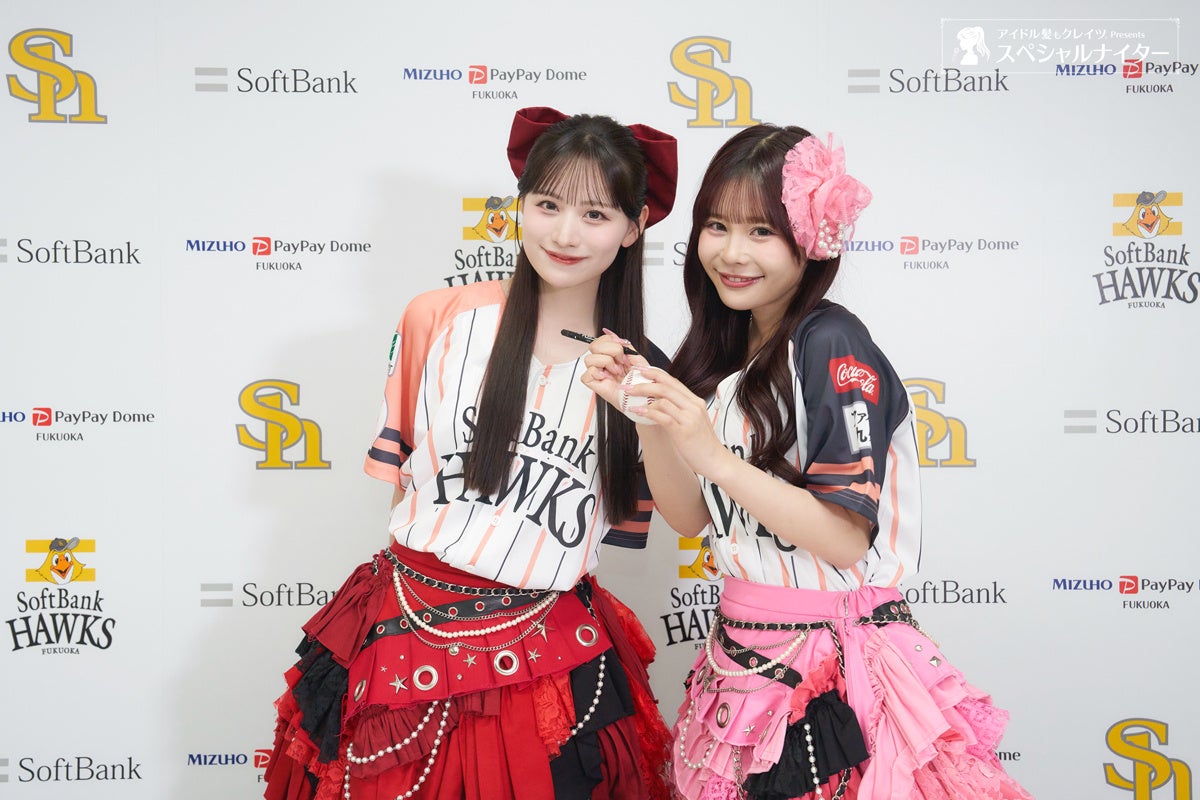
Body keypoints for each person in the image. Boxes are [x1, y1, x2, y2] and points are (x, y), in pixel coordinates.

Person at [581, 125, 1033, 799]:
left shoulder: (830, 341)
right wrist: (648, 418)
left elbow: (845, 538)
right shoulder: (726, 348)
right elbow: (692, 518)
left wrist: (713, 455)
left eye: (761, 231)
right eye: (717, 226)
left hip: (835, 667)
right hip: (742, 656)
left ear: (812, 240)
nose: (732, 252)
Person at [263, 107, 678, 800]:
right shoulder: (437, 317)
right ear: (521, 204)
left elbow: (682, 516)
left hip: (550, 650)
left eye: (596, 215)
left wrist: (651, 410)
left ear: (634, 227)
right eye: (547, 205)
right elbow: (405, 483)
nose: (565, 234)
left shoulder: (643, 371)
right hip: (405, 624)